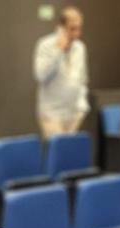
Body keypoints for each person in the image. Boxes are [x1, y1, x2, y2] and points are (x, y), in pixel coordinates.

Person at [34, 6, 88, 137]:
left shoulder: (80, 47)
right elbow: (41, 75)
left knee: (70, 150)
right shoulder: (45, 45)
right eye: (72, 29)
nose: (77, 34)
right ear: (61, 27)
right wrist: (58, 51)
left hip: (74, 113)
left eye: (79, 29)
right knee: (58, 149)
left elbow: (83, 78)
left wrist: (82, 106)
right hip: (52, 113)